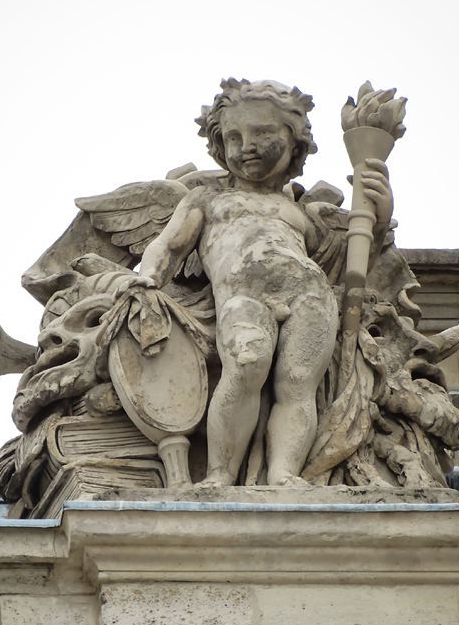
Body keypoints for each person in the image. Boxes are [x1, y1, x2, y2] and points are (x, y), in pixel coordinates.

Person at [128, 78, 393, 487]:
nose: (246, 145)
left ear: (295, 142)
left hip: (310, 294)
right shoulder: (206, 200)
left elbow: (351, 267)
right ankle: (219, 473)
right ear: (218, 144)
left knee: (298, 383)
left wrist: (376, 214)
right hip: (242, 296)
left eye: (262, 133)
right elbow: (167, 247)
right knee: (246, 366)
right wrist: (148, 279)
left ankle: (284, 471)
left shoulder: (303, 213)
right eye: (233, 136)